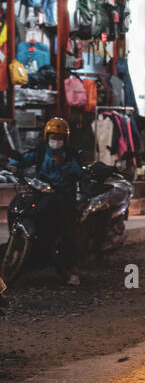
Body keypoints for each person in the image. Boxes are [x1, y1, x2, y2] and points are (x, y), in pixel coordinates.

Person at [9, 117, 84, 284]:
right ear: (47, 137)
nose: (56, 141)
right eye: (53, 137)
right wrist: (14, 164)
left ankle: (71, 268)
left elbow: (79, 171)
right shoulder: (42, 151)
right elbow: (24, 158)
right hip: (43, 194)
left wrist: (65, 164)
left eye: (59, 138)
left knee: (66, 232)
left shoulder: (71, 155)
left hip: (64, 197)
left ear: (65, 139)